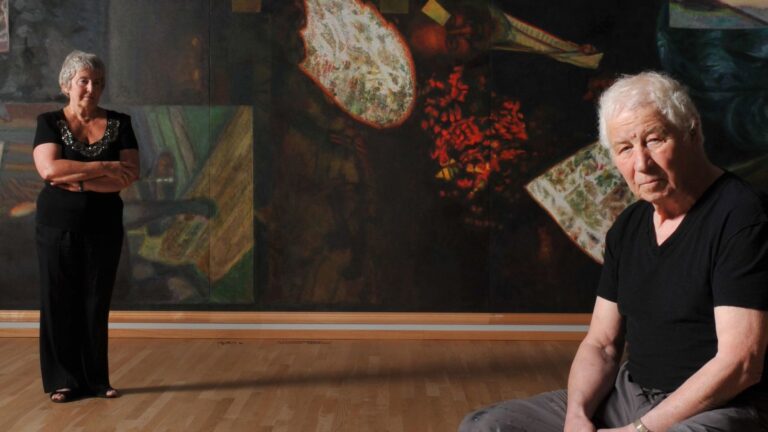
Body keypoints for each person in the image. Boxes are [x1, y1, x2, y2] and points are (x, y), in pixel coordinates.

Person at [458, 71, 768, 431]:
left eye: (654, 140)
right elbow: (602, 344)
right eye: (625, 149)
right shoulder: (628, 227)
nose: (641, 163)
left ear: (692, 133)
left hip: (719, 406)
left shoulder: (743, 217)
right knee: (484, 426)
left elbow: (741, 364)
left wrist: (640, 430)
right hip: (632, 396)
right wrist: (577, 415)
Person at [32, 50, 139, 403]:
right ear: (67, 85)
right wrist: (103, 167)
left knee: (95, 300)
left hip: (103, 224)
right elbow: (49, 170)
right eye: (84, 81)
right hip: (56, 223)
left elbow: (128, 175)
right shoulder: (49, 122)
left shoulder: (120, 123)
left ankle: (95, 380)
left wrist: (75, 179)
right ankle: (62, 380)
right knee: (58, 298)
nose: (91, 88)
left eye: (97, 82)